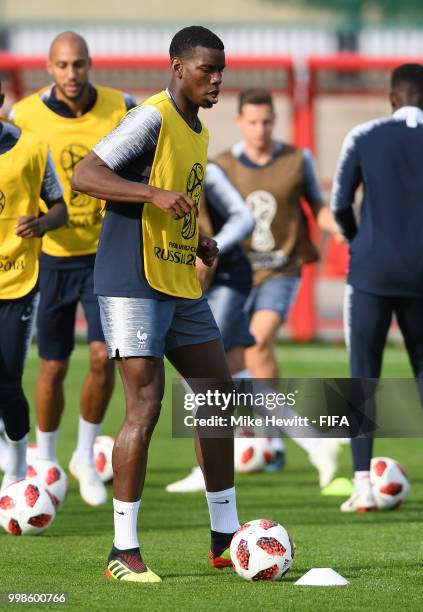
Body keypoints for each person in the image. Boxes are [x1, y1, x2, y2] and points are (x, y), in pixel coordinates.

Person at [72, 26, 241, 583]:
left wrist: (198, 240)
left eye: (220, 70)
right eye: (205, 70)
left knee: (218, 396)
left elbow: (175, 199)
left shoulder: (197, 129)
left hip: (177, 279)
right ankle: (123, 551)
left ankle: (225, 538)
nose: (216, 79)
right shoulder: (151, 117)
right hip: (130, 282)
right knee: (144, 409)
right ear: (177, 68)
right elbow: (86, 174)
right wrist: (150, 194)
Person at [11, 31, 136, 506]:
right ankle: (45, 460)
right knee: (53, 365)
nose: (71, 74)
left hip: (105, 256)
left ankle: (84, 454)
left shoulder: (120, 105)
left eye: (78, 64)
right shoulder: (23, 115)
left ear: (90, 65)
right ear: (49, 67)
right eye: (62, 65)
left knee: (105, 357)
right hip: (49, 257)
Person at [166, 162, 341, 493]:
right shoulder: (150, 167)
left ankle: (211, 466)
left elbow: (243, 219)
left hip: (228, 277)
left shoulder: (204, 165)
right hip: (195, 281)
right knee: (226, 376)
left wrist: (210, 249)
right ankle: (315, 443)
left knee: (198, 373)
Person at [331, 63, 423, 512]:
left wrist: (357, 240)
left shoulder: (365, 135)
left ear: (392, 98)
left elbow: (339, 202)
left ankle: (363, 484)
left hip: (371, 272)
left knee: (362, 374)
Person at [214, 88, 340, 381]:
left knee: (258, 341)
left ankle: (268, 426)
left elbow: (318, 207)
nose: (260, 129)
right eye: (253, 122)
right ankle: (259, 419)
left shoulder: (297, 160)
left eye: (266, 122)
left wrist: (342, 229)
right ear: (239, 121)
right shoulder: (222, 167)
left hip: (281, 270)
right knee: (230, 354)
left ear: (275, 120)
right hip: (236, 274)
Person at [0, 81, 67, 492]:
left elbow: (60, 208)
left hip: (17, 281)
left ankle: (18, 468)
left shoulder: (29, 146)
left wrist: (41, 223)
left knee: (8, 380)